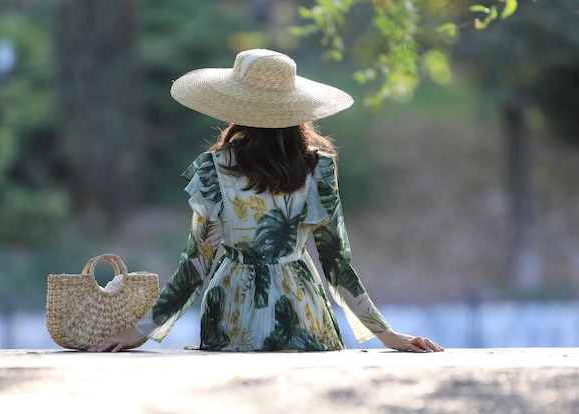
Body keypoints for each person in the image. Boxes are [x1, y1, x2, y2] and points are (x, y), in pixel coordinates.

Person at [89, 49, 443, 353]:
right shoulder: (317, 167)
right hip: (302, 306)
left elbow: (196, 262)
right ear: (295, 107)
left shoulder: (215, 168)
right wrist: (386, 334)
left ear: (235, 103)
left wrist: (140, 331)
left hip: (233, 307)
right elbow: (336, 262)